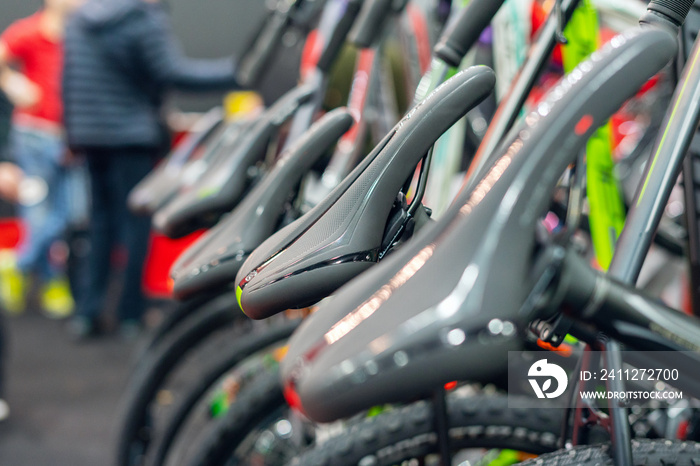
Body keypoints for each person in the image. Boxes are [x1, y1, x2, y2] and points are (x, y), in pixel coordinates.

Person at [63, 0, 240, 339]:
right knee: (136, 225)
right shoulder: (142, 19)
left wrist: (73, 133)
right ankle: (131, 313)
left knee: (100, 224)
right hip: (130, 136)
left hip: (89, 135)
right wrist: (240, 71)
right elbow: (173, 73)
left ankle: (88, 313)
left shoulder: (79, 20)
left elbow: (69, 79)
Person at [0, 0, 83, 318]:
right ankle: (52, 284)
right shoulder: (29, 31)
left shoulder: (79, 35)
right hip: (34, 136)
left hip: (69, 138)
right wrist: (12, 83)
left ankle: (16, 263)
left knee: (66, 214)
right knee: (39, 212)